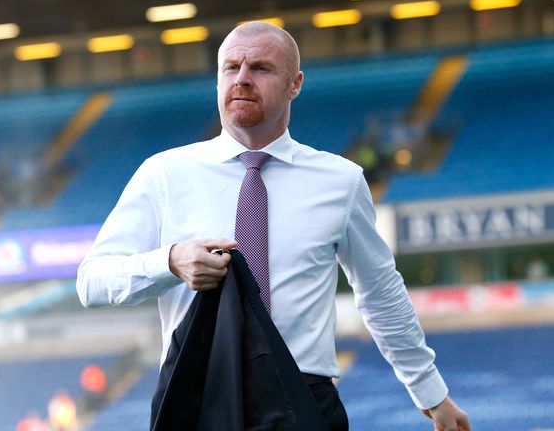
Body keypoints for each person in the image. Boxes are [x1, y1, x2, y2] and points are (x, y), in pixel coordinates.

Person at [77, 21, 471, 431]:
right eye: (230, 68)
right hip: (197, 397)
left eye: (261, 68)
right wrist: (171, 262)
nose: (242, 79)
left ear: (295, 84)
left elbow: (380, 293)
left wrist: (431, 393)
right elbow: (91, 281)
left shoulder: (341, 181)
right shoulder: (163, 174)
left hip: (303, 398)